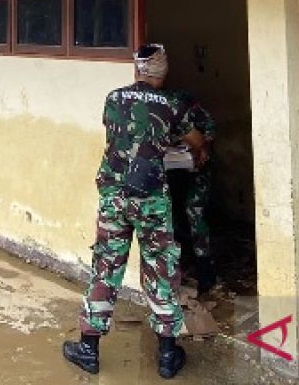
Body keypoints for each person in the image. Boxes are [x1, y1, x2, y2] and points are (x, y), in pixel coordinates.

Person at [63, 43, 207, 380]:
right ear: (164, 72)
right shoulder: (172, 104)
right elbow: (196, 140)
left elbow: (120, 132)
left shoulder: (114, 98)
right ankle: (169, 355)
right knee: (161, 270)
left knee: (106, 267)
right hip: (152, 200)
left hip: (115, 196)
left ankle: (88, 348)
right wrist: (187, 147)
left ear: (136, 71)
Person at [177, 94, 218, 296]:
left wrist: (203, 149)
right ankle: (182, 265)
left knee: (195, 214)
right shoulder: (160, 113)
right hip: (172, 171)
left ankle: (205, 273)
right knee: (173, 216)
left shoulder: (195, 111)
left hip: (197, 170)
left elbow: (210, 133)